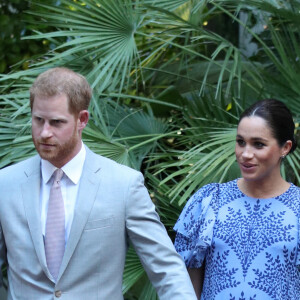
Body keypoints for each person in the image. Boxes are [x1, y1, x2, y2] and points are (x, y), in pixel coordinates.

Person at [0, 67, 197, 300]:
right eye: (38, 120)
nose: (44, 133)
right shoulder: (5, 184)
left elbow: (166, 268)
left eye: (56, 122)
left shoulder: (124, 185)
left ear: (82, 120)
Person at [174, 99, 300, 300]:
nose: (245, 154)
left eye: (258, 144)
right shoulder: (209, 201)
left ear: (285, 147)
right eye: (241, 142)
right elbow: (184, 284)